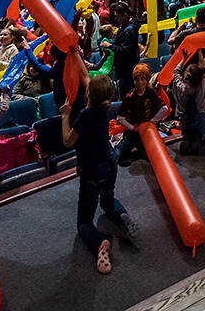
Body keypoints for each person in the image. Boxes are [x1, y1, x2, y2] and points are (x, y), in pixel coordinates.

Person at [61, 74, 138, 275]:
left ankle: (99, 245)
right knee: (107, 201)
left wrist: (65, 116)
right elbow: (87, 78)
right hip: (110, 162)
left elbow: (68, 141)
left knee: (84, 222)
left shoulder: (85, 116)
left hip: (92, 170)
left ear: (89, 94)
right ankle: (122, 216)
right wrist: (76, 54)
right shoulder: (105, 107)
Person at [116, 63, 168, 165]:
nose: (139, 82)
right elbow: (120, 117)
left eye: (142, 79)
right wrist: (132, 128)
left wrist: (151, 122)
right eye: (137, 79)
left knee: (154, 157)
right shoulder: (130, 97)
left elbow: (164, 109)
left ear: (147, 80)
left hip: (147, 132)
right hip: (133, 133)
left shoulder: (151, 92)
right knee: (118, 155)